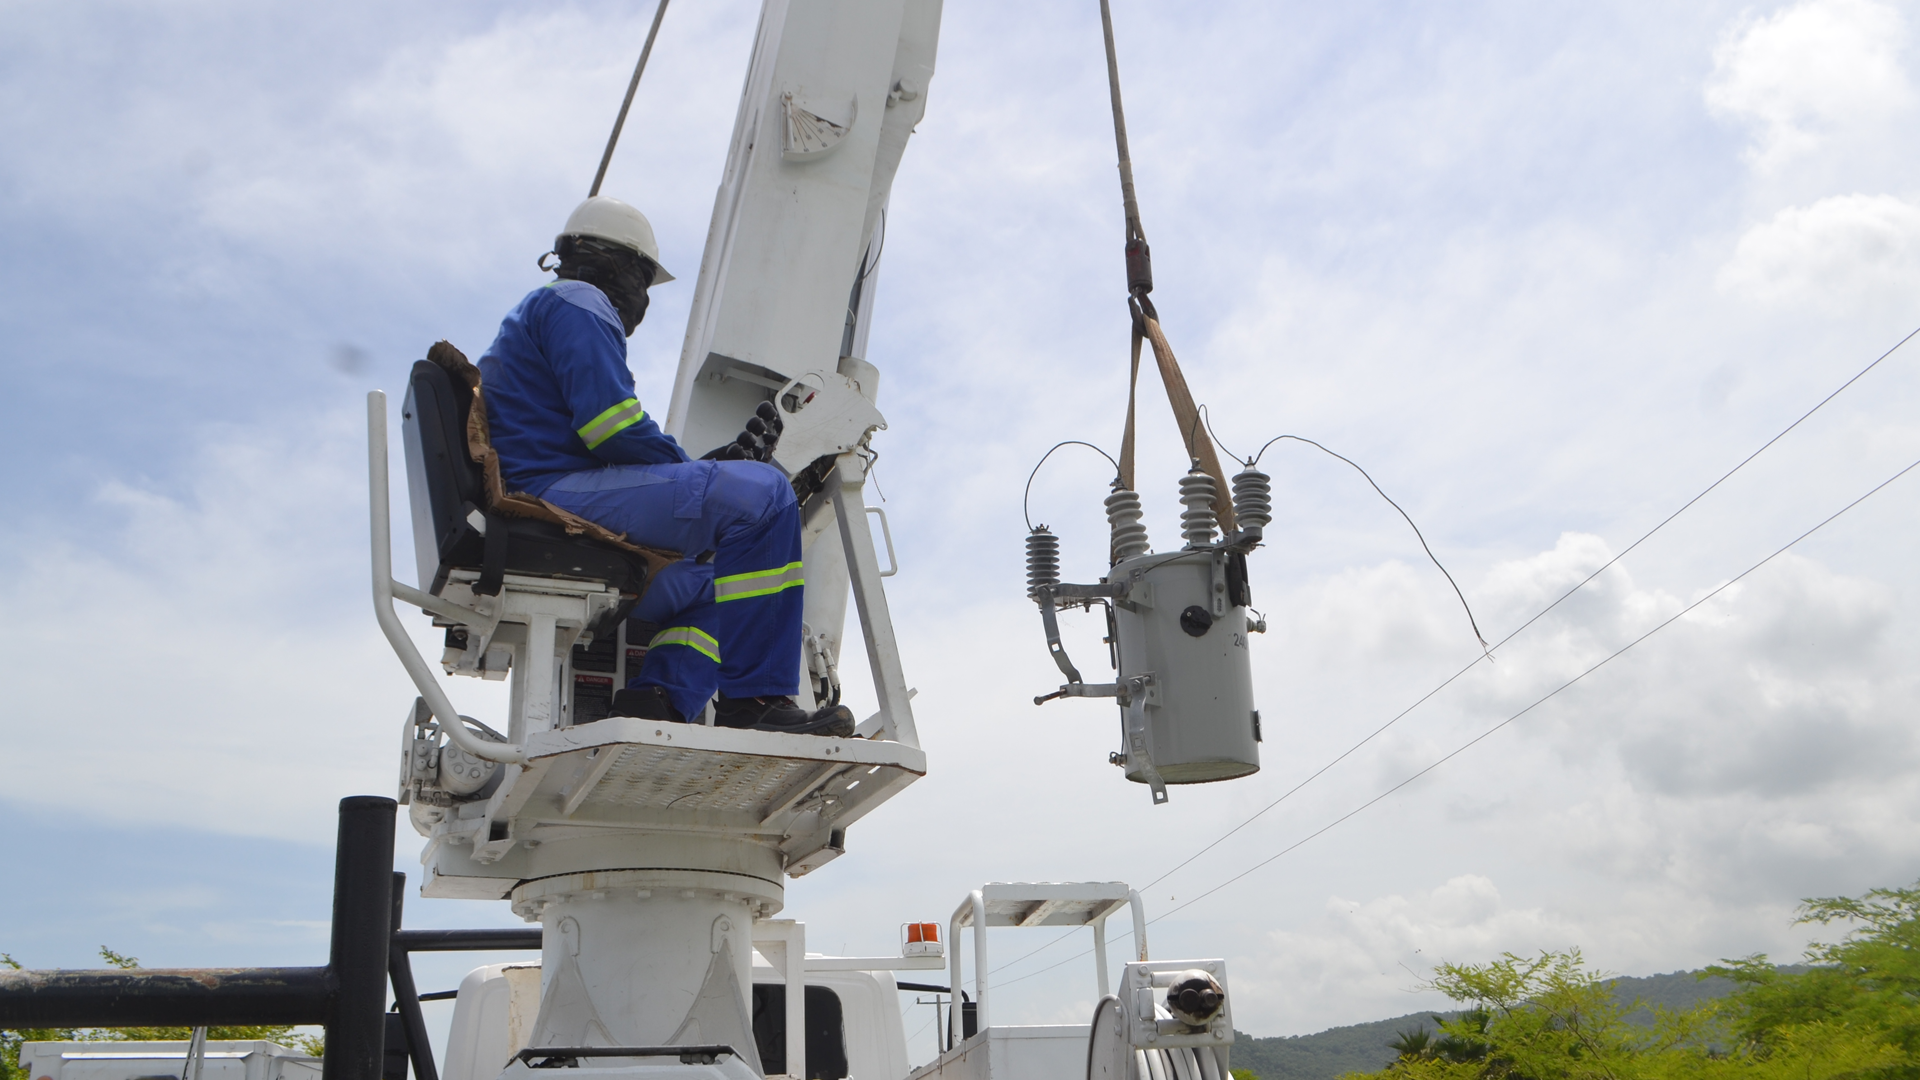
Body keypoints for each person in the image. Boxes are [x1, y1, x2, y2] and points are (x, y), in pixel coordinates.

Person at [476, 195, 853, 737]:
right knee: (765, 493)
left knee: (720, 582)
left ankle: (658, 701)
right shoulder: (579, 302)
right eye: (644, 281)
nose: (641, 300)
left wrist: (701, 472)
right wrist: (697, 470)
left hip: (551, 492)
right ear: (618, 264)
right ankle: (759, 702)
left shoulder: (547, 310)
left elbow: (604, 435)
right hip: (554, 494)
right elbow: (612, 427)